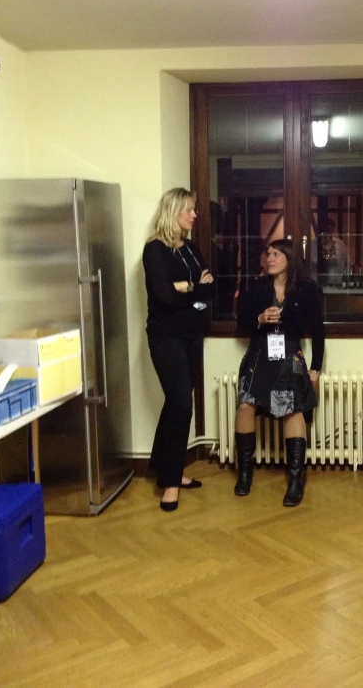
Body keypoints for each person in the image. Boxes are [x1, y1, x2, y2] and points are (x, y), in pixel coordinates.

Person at [234, 238, 325, 507]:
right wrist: (259, 319)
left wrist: (316, 368)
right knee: (245, 406)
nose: (269, 258)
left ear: (289, 257)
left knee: (291, 410)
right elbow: (241, 322)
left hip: (288, 353)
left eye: (276, 254)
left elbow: (318, 331)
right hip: (260, 352)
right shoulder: (258, 287)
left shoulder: (306, 289)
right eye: (268, 254)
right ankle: (245, 473)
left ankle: (296, 480)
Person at [142, 187, 214, 512]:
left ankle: (161, 468)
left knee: (176, 403)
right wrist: (192, 289)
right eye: (190, 209)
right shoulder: (155, 250)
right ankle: (171, 483)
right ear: (174, 211)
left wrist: (188, 287)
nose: (195, 215)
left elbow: (210, 287)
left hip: (191, 335)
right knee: (183, 405)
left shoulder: (190, 247)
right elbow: (164, 298)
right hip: (166, 336)